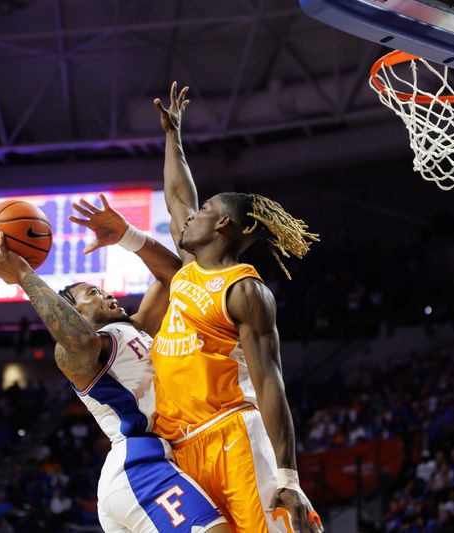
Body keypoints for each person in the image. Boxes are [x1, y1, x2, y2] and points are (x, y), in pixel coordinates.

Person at [0, 227, 231, 533]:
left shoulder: (136, 326)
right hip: (138, 463)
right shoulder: (81, 353)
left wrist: (126, 235)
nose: (106, 293)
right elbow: (81, 340)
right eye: (92, 293)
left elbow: (173, 274)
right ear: (73, 311)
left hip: (162, 459)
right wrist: (25, 276)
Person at [151, 81, 322, 532]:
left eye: (204, 210)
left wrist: (289, 477)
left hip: (236, 436)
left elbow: (270, 382)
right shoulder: (189, 264)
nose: (191, 215)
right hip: (184, 444)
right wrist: (174, 138)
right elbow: (177, 196)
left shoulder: (245, 291)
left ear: (222, 223)